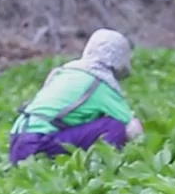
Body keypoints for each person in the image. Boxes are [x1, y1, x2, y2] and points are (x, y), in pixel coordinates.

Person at [9, 29, 144, 165]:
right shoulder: (99, 82)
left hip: (17, 142)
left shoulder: (66, 72)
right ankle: (104, 167)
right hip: (37, 144)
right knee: (114, 126)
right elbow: (133, 128)